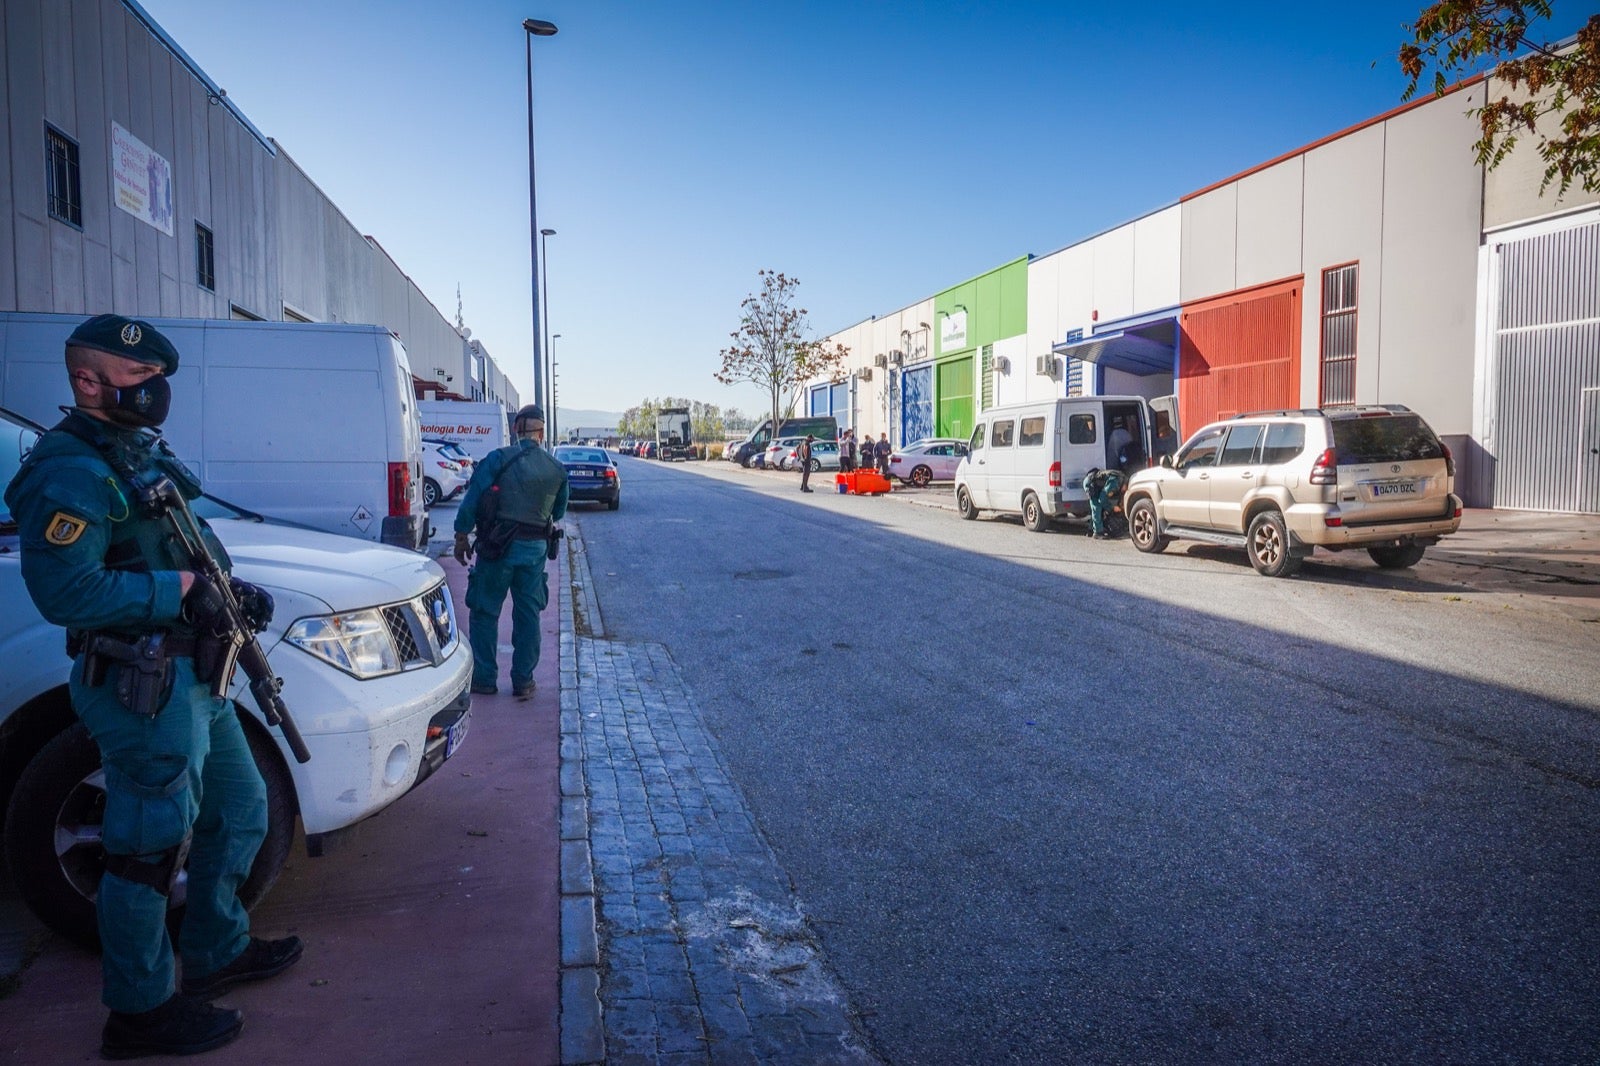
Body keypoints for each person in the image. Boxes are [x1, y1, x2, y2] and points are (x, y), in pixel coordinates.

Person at [4, 314, 301, 1058]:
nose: (156, 392)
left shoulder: (132, 450)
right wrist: (182, 592)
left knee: (240, 811)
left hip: (196, 673)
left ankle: (215, 951)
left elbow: (179, 537)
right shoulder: (68, 468)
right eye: (141, 380)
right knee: (147, 849)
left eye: (159, 378)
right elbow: (69, 594)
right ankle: (137, 1013)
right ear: (87, 382)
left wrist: (229, 587)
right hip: (143, 682)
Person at [453, 405, 569, 699]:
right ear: (541, 433)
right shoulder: (556, 470)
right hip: (534, 551)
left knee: (484, 612)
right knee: (529, 615)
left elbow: (472, 500)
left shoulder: (496, 459)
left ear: (516, 429)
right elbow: (559, 511)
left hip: (496, 549)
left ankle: (484, 678)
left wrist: (461, 536)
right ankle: (523, 680)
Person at [1082, 466, 1126, 539]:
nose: (1124, 491)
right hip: (1090, 483)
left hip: (1093, 481)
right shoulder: (1115, 482)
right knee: (1097, 506)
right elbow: (1102, 499)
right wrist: (1112, 508)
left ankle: (1090, 530)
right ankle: (1098, 533)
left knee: (1096, 508)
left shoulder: (1121, 479)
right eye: (1125, 489)